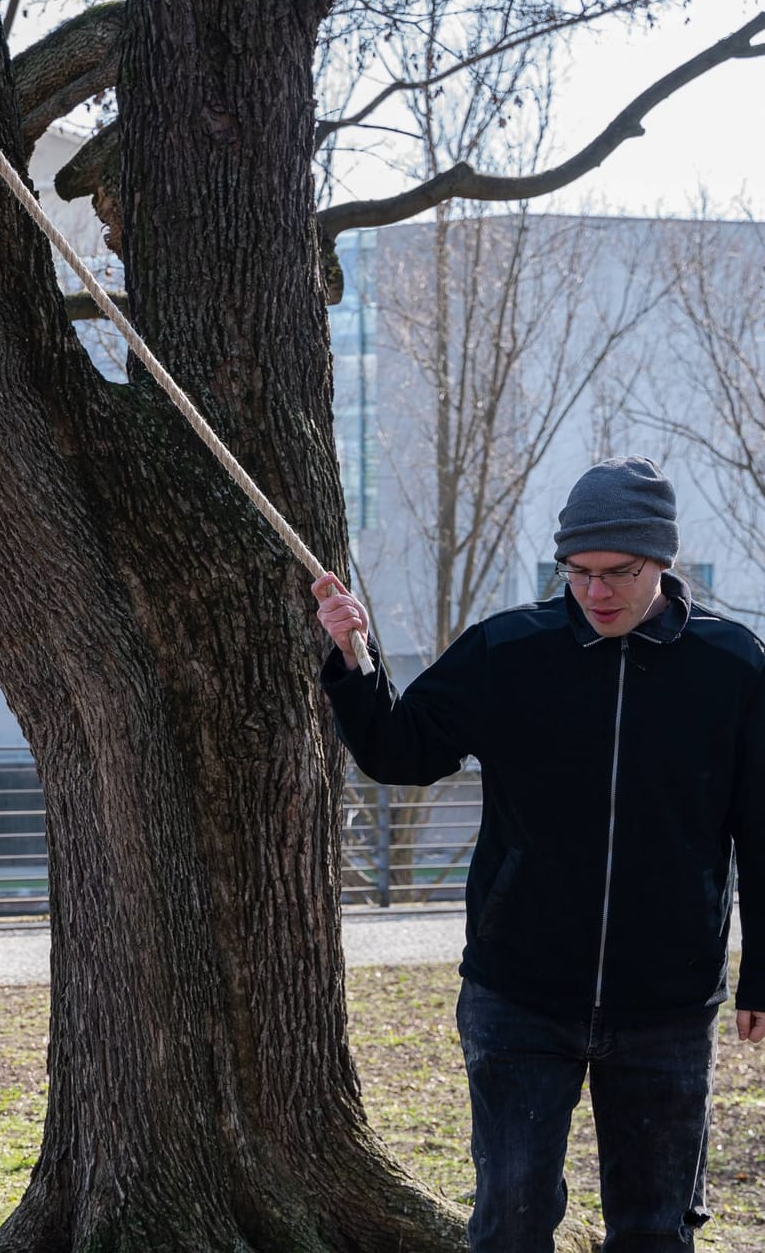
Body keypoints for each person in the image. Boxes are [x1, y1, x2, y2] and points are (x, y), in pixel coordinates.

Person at [312, 455, 763, 1251]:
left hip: (668, 1001)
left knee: (655, 1230)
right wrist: (357, 660)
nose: (596, 592)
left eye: (618, 571)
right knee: (512, 1216)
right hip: (518, 993)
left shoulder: (733, 668)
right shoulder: (505, 652)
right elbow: (402, 753)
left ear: (663, 559)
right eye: (578, 571)